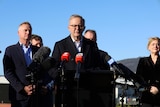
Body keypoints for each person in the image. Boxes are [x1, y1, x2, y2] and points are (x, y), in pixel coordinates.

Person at [49, 14, 104, 107]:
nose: (77, 28)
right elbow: (53, 68)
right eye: (74, 26)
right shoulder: (60, 45)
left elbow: (98, 65)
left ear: (84, 27)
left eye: (80, 26)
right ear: (68, 27)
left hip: (88, 92)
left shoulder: (91, 45)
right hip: (67, 92)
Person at [3, 22, 39, 107]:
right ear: (18, 33)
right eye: (25, 30)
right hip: (18, 96)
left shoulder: (38, 51)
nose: (28, 32)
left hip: (36, 96)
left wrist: (37, 86)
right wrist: (22, 88)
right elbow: (8, 72)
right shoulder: (10, 50)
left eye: (29, 30)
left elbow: (43, 70)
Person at [30, 34, 54, 107]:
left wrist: (48, 87)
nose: (39, 46)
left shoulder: (49, 61)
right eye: (36, 44)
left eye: (40, 44)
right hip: (31, 96)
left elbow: (53, 76)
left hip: (46, 96)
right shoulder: (29, 60)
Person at [136, 37, 160, 107]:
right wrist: (149, 88)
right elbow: (138, 78)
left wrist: (158, 89)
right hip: (146, 97)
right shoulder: (143, 61)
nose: (155, 46)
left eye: (158, 44)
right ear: (148, 47)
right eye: (153, 44)